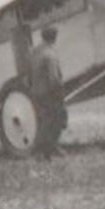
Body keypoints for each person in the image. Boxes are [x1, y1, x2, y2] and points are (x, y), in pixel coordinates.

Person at [27, 26, 67, 157]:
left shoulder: (34, 52)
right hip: (49, 92)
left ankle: (47, 148)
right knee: (55, 120)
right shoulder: (50, 53)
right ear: (54, 38)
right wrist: (59, 91)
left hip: (35, 91)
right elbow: (54, 77)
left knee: (43, 119)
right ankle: (47, 150)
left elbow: (28, 73)